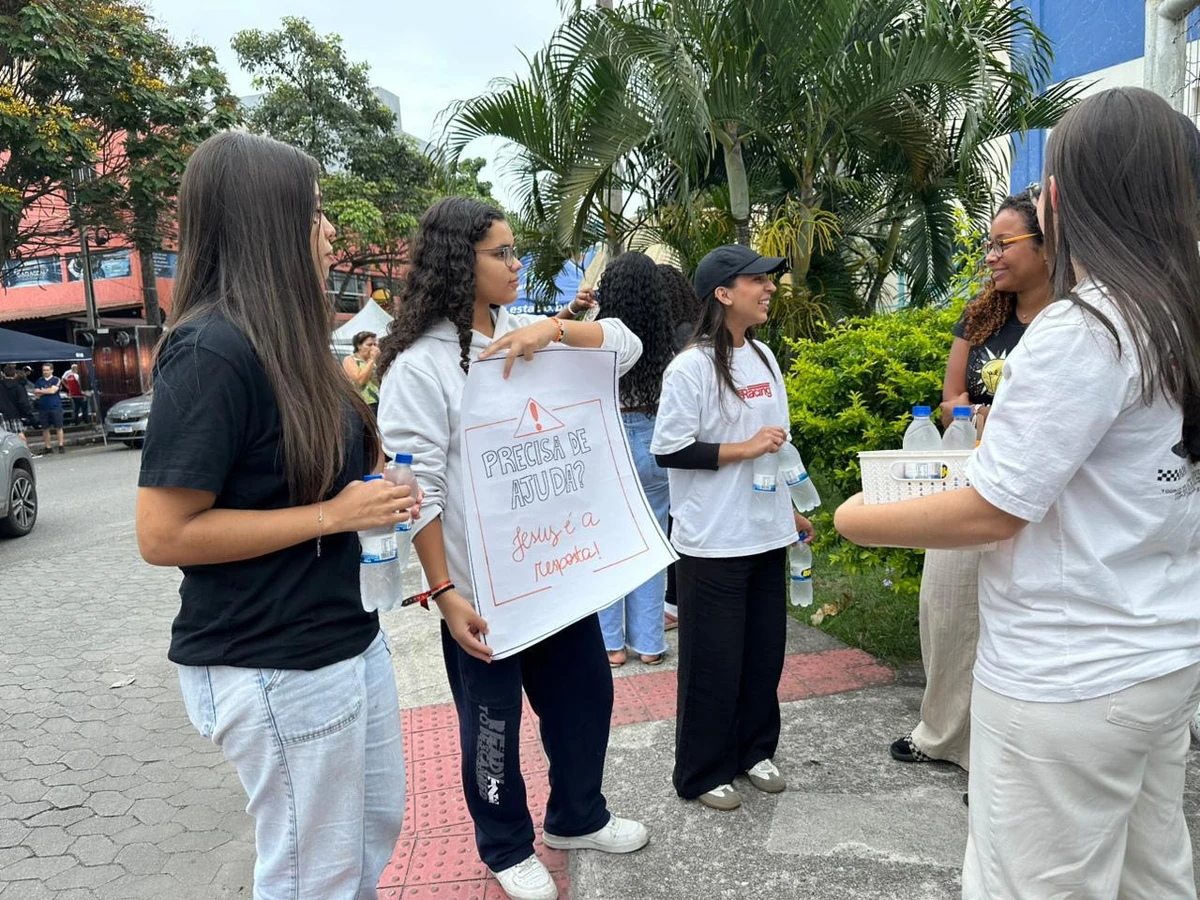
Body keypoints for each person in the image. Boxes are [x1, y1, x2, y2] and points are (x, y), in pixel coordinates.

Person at [834, 87, 1200, 899]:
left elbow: (993, 509)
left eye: (1042, 189)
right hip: (1161, 656)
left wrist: (862, 520)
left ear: (1066, 198)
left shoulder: (1086, 327)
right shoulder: (1177, 316)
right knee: (1153, 875)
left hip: (1066, 677)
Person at [135, 131, 417, 900]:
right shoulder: (211, 349)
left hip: (343, 634)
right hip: (271, 656)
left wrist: (376, 486)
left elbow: (304, 480)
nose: (330, 231)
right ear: (267, 221)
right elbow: (163, 534)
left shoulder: (293, 343)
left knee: (366, 842)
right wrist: (333, 514)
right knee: (310, 876)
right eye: (315, 211)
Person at [376, 197, 648, 900]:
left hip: (558, 574)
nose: (516, 262)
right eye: (501, 252)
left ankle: (577, 817)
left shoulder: (532, 328)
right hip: (483, 595)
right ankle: (506, 846)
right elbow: (419, 488)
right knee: (490, 730)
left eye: (514, 249)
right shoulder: (418, 366)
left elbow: (628, 343)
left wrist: (554, 331)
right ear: (456, 263)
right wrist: (444, 593)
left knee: (586, 703)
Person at [889, 189, 1052, 771]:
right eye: (988, 243)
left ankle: (1006, 749)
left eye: (1002, 243)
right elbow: (950, 395)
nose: (991, 256)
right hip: (973, 476)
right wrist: (970, 415)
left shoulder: (1074, 319)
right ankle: (944, 732)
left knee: (1021, 616)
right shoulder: (983, 314)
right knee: (948, 603)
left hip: (1043, 495)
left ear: (1045, 243)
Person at [650, 244, 815, 812]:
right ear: (723, 294)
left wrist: (789, 510)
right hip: (713, 539)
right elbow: (668, 449)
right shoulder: (691, 367)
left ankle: (754, 750)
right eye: (757, 281)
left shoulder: (766, 359)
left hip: (766, 531)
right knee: (712, 659)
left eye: (770, 281)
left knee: (763, 653)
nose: (769, 289)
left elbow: (779, 445)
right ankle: (701, 770)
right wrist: (743, 449)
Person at [591, 252, 674, 667]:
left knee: (608, 545)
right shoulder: (666, 337)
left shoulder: (598, 332)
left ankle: (611, 644)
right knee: (652, 542)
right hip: (655, 438)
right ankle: (650, 645)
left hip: (611, 439)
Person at [654, 264, 703, 632]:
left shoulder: (672, 338)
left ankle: (673, 603)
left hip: (677, 443)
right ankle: (674, 601)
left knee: (672, 523)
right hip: (690, 443)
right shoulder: (693, 331)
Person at [343, 331, 381, 415]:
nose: (373, 348)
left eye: (375, 345)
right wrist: (372, 360)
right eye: (369, 345)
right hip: (360, 404)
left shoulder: (374, 362)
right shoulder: (350, 360)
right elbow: (360, 381)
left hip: (377, 402)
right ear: (359, 346)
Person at [33, 363, 65, 454]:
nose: (45, 372)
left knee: (58, 427)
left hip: (55, 406)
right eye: (44, 370)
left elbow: (53, 391)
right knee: (45, 428)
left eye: (47, 370)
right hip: (43, 407)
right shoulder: (39, 380)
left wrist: (41, 391)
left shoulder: (56, 379)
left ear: (52, 370)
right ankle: (48, 447)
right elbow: (35, 392)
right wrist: (46, 391)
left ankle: (61, 445)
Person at [0, 364, 31, 445]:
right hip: (15, 413)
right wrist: (26, 414)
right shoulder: (18, 386)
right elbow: (23, 402)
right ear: (14, 374)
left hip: (2, 414)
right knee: (19, 433)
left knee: (5, 435)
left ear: (4, 373)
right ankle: (26, 451)